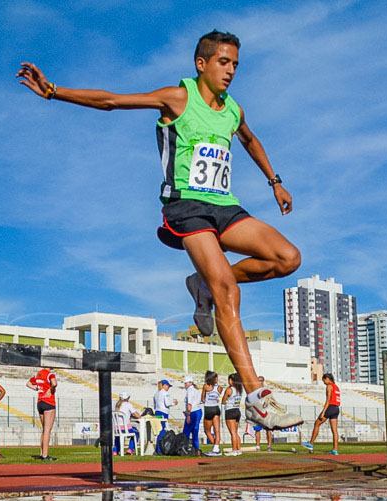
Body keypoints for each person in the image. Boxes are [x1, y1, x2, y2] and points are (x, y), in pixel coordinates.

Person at [17, 30, 302, 432]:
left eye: (236, 64)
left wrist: (275, 181)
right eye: (224, 62)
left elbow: (250, 140)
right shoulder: (177, 98)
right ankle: (257, 398)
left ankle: (200, 284)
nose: (231, 71)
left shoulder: (232, 109)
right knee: (228, 290)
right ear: (201, 64)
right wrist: (54, 91)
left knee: (287, 258)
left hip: (223, 205)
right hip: (186, 207)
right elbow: (113, 101)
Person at [303, 373, 341, 455]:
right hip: (336, 408)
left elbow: (328, 400)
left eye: (324, 380)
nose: (323, 382)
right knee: (334, 431)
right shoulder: (336, 387)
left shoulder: (329, 386)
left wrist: (323, 412)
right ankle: (335, 450)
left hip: (330, 408)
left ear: (327, 378)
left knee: (316, 423)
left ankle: (311, 444)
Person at [27, 367, 58, 461]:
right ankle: (45, 455)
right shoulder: (50, 374)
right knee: (47, 430)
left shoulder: (38, 374)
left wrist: (36, 388)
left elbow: (28, 383)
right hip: (48, 402)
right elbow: (54, 383)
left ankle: (41, 453)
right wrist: (50, 389)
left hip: (40, 402)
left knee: (44, 430)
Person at [201, 371, 223, 456]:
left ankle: (215, 447)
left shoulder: (206, 386)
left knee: (207, 431)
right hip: (216, 408)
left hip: (208, 409)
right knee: (217, 431)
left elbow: (202, 399)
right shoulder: (220, 388)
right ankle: (216, 448)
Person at [153, 378, 178, 451]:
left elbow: (155, 405)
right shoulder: (165, 393)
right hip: (163, 412)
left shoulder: (156, 393)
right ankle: (159, 449)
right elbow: (167, 404)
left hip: (157, 412)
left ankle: (158, 447)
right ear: (165, 385)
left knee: (159, 430)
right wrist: (174, 403)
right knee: (162, 430)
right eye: (168, 386)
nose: (168, 388)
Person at [222, 372, 244, 456]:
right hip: (237, 410)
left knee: (233, 432)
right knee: (235, 431)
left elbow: (223, 401)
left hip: (230, 410)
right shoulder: (239, 389)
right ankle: (238, 449)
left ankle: (234, 449)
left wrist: (226, 399)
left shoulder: (229, 389)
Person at [251, 375, 273, 451]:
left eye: (261, 380)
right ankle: (258, 446)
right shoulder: (254, 390)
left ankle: (269, 446)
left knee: (268, 430)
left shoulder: (266, 390)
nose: (259, 382)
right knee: (257, 430)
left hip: (266, 412)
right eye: (258, 380)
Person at [183, 375, 203, 451]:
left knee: (186, 431)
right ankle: (196, 447)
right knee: (195, 430)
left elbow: (190, 404)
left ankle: (185, 447)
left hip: (192, 411)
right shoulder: (197, 390)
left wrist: (188, 415)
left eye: (186, 383)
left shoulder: (190, 391)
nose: (185, 385)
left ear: (190, 383)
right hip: (198, 410)